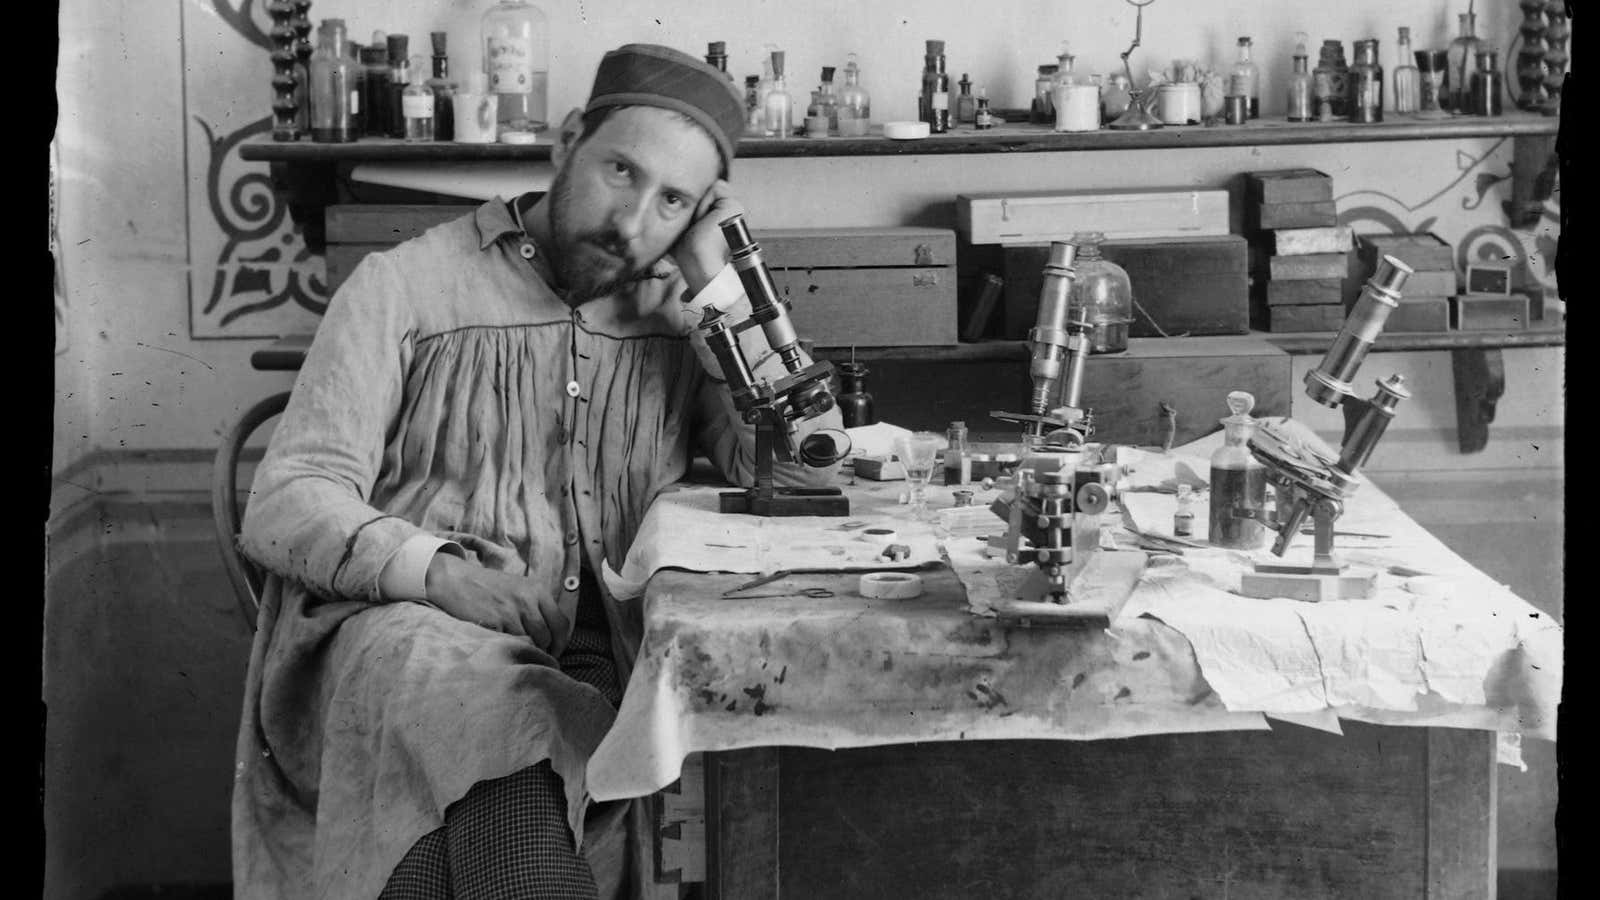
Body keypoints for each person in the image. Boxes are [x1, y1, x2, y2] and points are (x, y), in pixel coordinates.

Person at [231, 43, 844, 900]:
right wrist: (436, 572)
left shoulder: (686, 317)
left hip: (594, 655)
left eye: (672, 200)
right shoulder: (403, 287)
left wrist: (724, 286)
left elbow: (810, 475)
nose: (633, 222)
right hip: (404, 631)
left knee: (464, 829)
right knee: (495, 750)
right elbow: (287, 499)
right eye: (620, 172)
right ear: (565, 144)